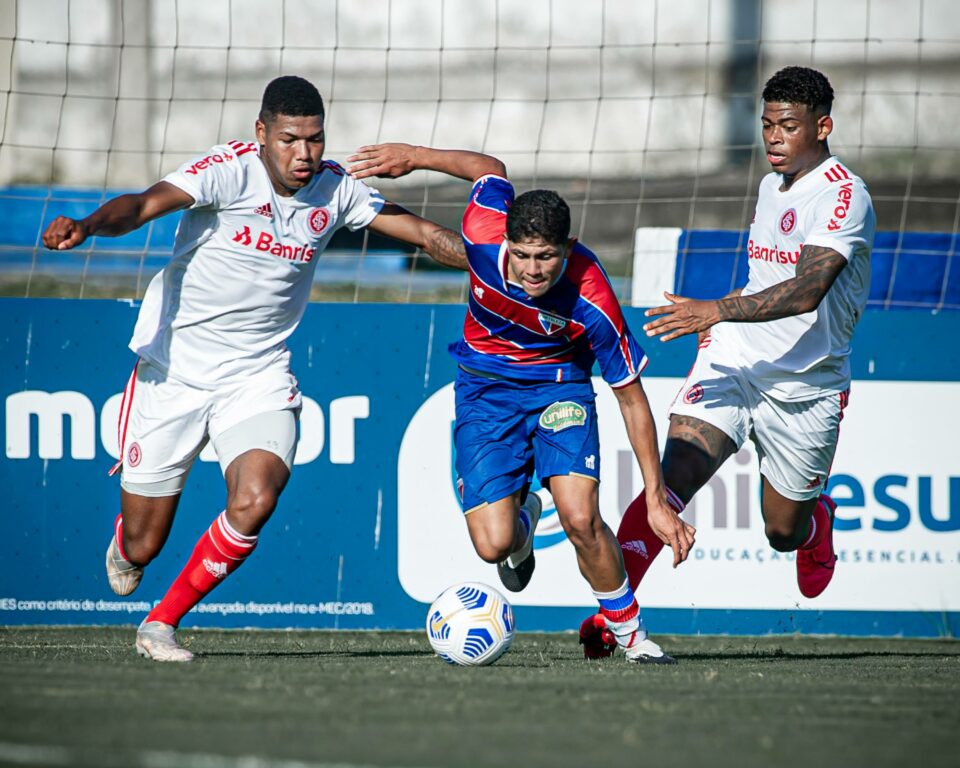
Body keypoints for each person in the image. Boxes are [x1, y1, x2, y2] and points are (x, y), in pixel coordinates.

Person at [41, 76, 468, 662]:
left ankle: (161, 624)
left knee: (256, 498)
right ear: (261, 133)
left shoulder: (335, 189)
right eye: (291, 139)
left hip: (258, 374)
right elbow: (142, 205)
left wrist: (494, 260)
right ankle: (127, 545)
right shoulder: (225, 171)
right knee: (143, 545)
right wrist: (88, 225)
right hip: (177, 374)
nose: (305, 154)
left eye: (316, 140)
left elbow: (421, 233)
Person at [348, 143, 695, 664]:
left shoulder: (592, 299)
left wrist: (654, 495)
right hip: (484, 392)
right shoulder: (483, 234)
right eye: (524, 254)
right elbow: (489, 170)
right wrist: (412, 157)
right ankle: (525, 519)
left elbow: (631, 399)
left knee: (581, 520)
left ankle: (632, 638)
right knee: (494, 545)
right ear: (505, 240)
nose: (534, 270)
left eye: (548, 257)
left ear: (568, 248)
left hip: (560, 389)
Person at [579, 66, 876, 657]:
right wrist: (721, 323)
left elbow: (807, 290)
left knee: (781, 530)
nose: (773, 137)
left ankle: (816, 521)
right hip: (735, 354)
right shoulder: (773, 184)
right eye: (767, 125)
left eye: (788, 127)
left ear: (823, 127)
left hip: (805, 382)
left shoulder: (846, 196)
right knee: (676, 473)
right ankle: (616, 618)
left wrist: (715, 309)